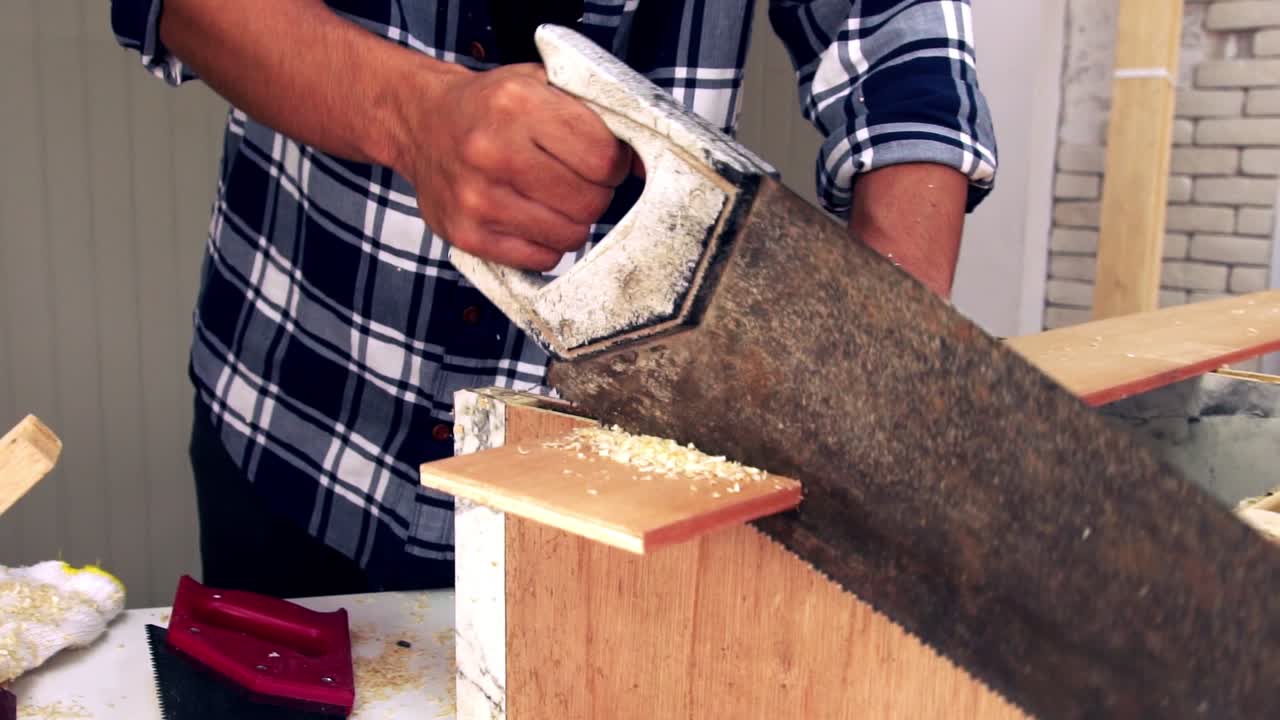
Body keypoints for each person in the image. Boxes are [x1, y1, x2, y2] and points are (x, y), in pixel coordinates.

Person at [110, 0, 997, 598]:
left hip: (608, 499)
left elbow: (893, 27)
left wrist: (891, 333)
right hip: (300, 421)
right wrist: (410, 116)